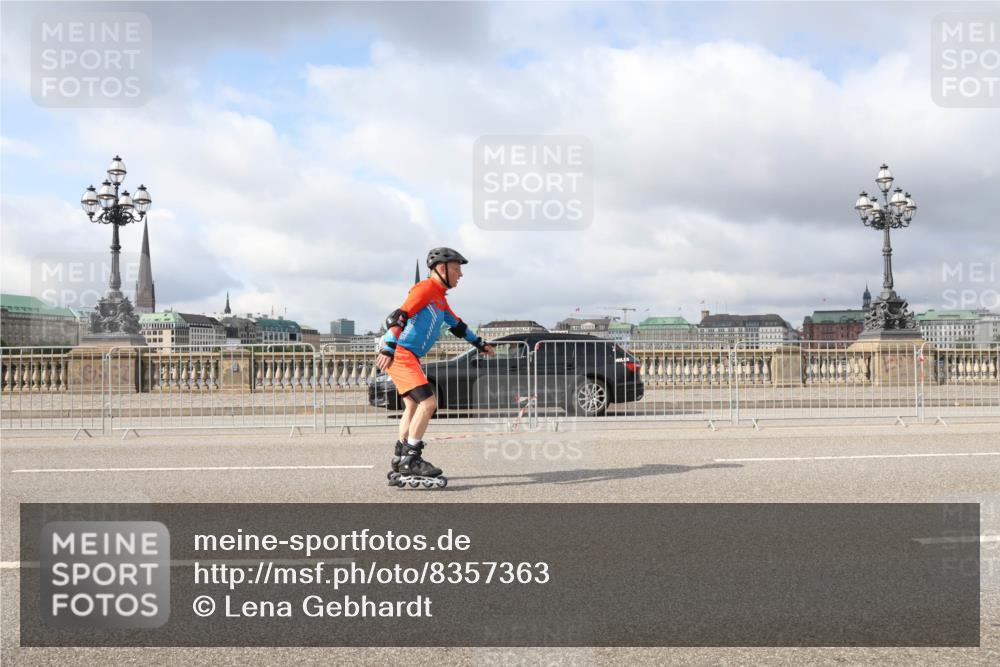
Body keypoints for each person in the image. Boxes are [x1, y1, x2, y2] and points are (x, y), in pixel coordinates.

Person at [378, 247, 495, 488]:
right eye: (456, 268)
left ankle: (401, 456)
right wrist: (389, 345)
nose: (460, 274)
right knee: (429, 403)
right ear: (441, 269)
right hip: (402, 353)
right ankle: (412, 458)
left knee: (412, 404)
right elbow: (398, 316)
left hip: (407, 354)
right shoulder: (426, 289)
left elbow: (458, 327)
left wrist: (480, 343)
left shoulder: (440, 299)